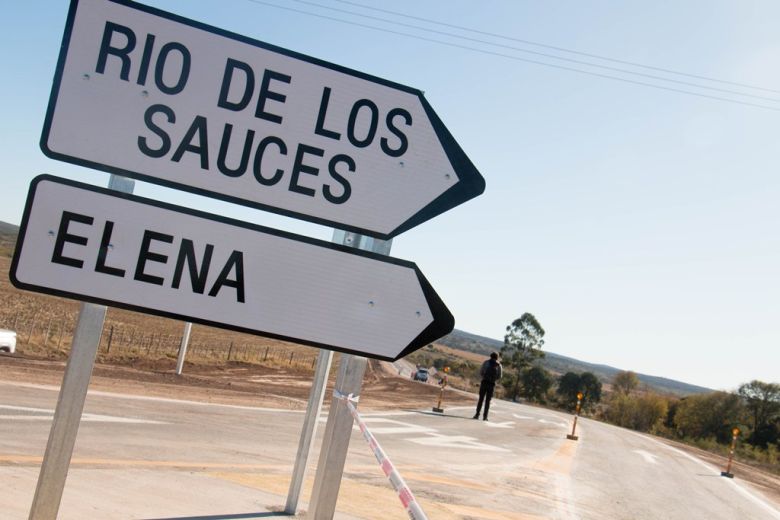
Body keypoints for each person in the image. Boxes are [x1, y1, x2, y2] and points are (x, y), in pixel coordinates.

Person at [473, 352, 502, 421]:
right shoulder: (499, 365)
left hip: (484, 382)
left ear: (490, 356)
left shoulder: (486, 362)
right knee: (488, 401)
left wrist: (485, 377)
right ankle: (485, 417)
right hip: (491, 384)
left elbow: (481, 372)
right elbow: (500, 376)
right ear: (497, 357)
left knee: (481, 399)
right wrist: (493, 379)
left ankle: (477, 414)